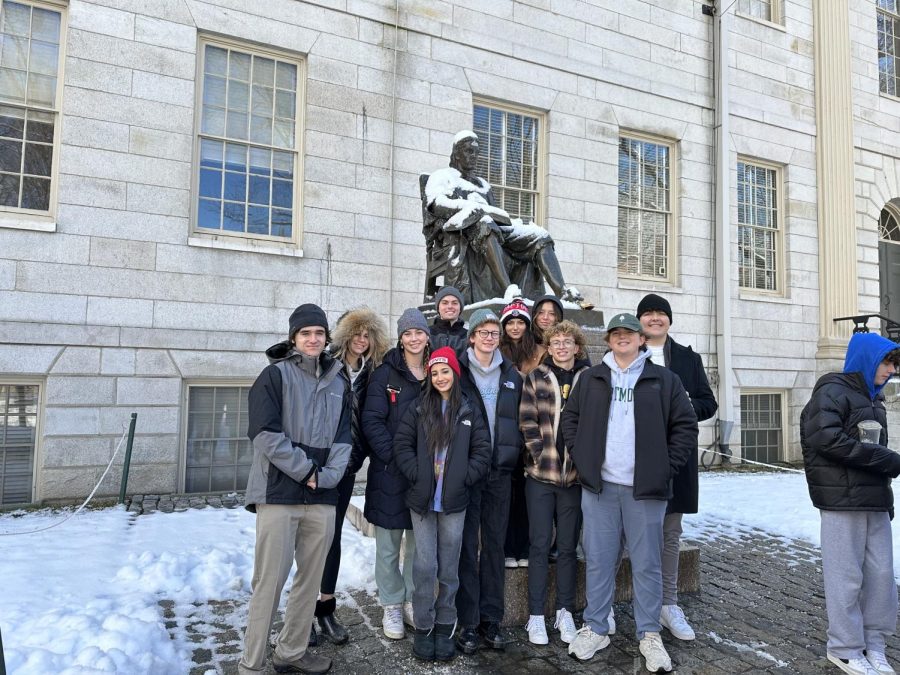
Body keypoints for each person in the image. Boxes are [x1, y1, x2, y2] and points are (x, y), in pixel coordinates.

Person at [561, 313, 696, 672]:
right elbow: (570, 419)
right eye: (616, 334)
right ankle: (597, 626)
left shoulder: (663, 380)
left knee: (648, 564)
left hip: (645, 491)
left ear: (641, 340)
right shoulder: (591, 379)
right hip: (601, 487)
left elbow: (685, 425)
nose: (622, 338)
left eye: (629, 334)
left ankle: (649, 633)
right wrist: (583, 458)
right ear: (608, 341)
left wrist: (665, 467)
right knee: (600, 561)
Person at [239, 303, 352, 675]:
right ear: (294, 338)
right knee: (269, 582)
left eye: (319, 333)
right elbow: (265, 434)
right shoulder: (274, 376)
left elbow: (343, 438)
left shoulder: (339, 379)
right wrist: (308, 472)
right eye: (306, 333)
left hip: (321, 499)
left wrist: (329, 477)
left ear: (326, 337)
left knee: (309, 581)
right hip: (278, 494)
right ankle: (252, 664)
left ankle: (291, 651)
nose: (313, 339)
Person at [801, 332, 900, 675]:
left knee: (882, 576)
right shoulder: (832, 390)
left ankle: (874, 643)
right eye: (887, 362)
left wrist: (885, 490)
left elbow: (873, 454)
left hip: (873, 501)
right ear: (868, 359)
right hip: (841, 501)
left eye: (894, 364)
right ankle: (844, 648)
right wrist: (886, 459)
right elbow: (825, 438)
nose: (891, 370)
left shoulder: (875, 401)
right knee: (846, 576)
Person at [393, 347, 492, 662]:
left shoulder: (468, 409)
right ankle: (424, 626)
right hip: (422, 501)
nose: (440, 377)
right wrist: (416, 473)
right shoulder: (419, 407)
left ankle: (445, 626)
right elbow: (401, 444)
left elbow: (482, 450)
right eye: (434, 373)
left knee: (449, 568)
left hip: (454, 502)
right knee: (424, 566)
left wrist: (465, 477)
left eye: (445, 371)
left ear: (454, 373)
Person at [423, 131, 587, 306]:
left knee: (539, 235)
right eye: (468, 151)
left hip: (496, 232)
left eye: (476, 152)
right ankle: (509, 290)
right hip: (462, 234)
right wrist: (467, 208)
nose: (474, 156)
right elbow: (436, 204)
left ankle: (563, 292)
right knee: (485, 225)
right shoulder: (442, 176)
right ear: (456, 153)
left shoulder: (483, 185)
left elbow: (496, 214)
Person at [636, 293, 718, 641]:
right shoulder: (626, 353)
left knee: (670, 534)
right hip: (636, 459)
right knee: (631, 534)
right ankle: (619, 604)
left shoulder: (687, 358)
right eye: (649, 314)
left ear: (669, 319)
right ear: (639, 320)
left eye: (661, 314)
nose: (655, 319)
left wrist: (683, 402)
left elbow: (707, 403)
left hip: (676, 459)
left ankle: (668, 603)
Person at [311, 307, 389, 646]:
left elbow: (370, 422)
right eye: (356, 333)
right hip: (316, 465)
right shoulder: (326, 365)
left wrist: (355, 461)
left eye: (367, 335)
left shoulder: (373, 372)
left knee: (333, 538)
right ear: (345, 335)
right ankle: (301, 614)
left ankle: (325, 608)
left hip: (346, 467)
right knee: (310, 539)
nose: (361, 340)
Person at [455, 308, 524, 653]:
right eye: (482, 332)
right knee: (468, 547)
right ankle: (467, 622)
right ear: (471, 337)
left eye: (494, 332)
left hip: (500, 473)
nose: (489, 337)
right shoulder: (458, 372)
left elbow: (521, 422)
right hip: (468, 473)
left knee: (494, 546)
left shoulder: (512, 375)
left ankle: (491, 619)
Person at [518, 320, 591, 646]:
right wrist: (537, 454)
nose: (562, 347)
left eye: (568, 342)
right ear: (549, 347)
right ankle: (536, 615)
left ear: (577, 347)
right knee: (538, 544)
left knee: (567, 548)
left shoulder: (589, 379)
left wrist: (584, 462)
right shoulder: (536, 377)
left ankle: (564, 610)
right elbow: (527, 420)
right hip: (540, 477)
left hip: (574, 480)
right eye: (556, 342)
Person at [361, 308, 430, 641]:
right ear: (401, 338)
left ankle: (413, 600)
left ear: (426, 336)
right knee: (388, 546)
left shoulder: (437, 370)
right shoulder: (384, 373)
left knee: (418, 546)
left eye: (419, 332)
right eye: (407, 333)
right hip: (390, 473)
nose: (414, 339)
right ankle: (391, 602)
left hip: (426, 475)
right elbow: (371, 421)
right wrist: (396, 457)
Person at [499, 298, 540, 569]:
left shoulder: (538, 352)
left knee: (525, 494)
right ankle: (506, 548)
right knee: (506, 494)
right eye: (510, 322)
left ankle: (523, 547)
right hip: (504, 431)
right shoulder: (497, 351)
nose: (515, 327)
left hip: (530, 430)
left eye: (520, 322)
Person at [430, 286, 468, 354]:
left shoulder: (468, 336)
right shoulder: (427, 334)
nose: (450, 306)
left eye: (455, 303)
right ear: (438, 307)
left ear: (460, 308)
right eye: (445, 303)